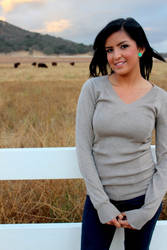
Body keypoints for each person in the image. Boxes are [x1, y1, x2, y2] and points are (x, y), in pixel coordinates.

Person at [75, 17, 167, 250]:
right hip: (99, 201)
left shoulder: (159, 98)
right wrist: (101, 204)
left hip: (143, 199)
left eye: (123, 46)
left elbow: (166, 159)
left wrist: (146, 211)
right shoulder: (93, 89)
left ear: (141, 49)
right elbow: (84, 148)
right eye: (109, 50)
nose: (116, 55)